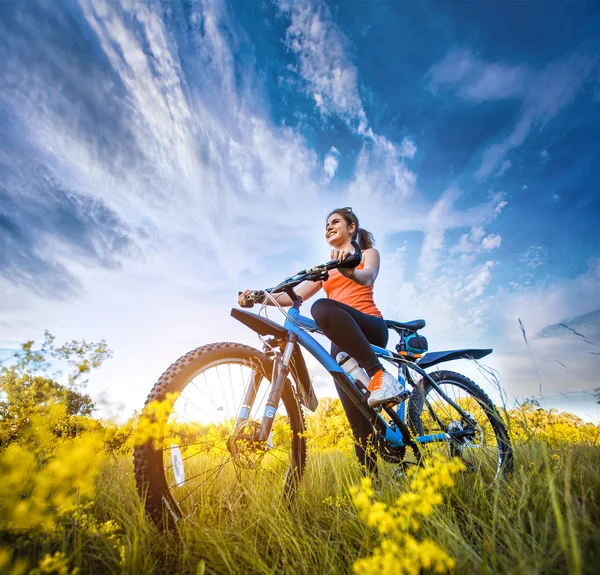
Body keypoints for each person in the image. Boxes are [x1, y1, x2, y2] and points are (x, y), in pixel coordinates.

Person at [238, 207, 408, 473]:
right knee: (358, 422)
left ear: (351, 228)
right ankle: (371, 492)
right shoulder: (326, 269)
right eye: (326, 224)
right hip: (340, 343)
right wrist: (260, 296)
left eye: (335, 222)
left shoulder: (367, 253)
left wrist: (349, 269)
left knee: (322, 308)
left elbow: (368, 276)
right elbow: (293, 297)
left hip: (369, 328)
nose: (329, 227)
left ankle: (379, 375)